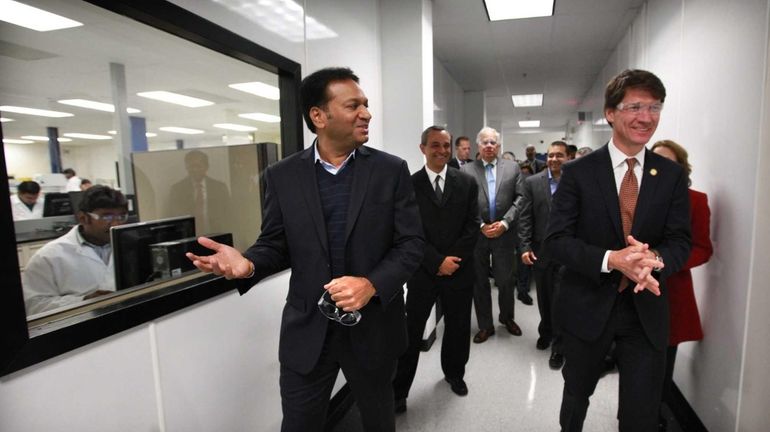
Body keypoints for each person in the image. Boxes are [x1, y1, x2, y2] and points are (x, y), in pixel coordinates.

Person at [185, 67, 424, 432]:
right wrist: (247, 264)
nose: (366, 113)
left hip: (373, 329)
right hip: (308, 333)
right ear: (318, 116)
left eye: (366, 105)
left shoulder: (390, 171)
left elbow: (411, 245)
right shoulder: (282, 176)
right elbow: (275, 244)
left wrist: (371, 284)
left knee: (378, 422)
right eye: (353, 105)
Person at [545, 69, 691, 432]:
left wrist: (652, 260)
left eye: (654, 107)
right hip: (587, 307)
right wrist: (613, 260)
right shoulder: (578, 172)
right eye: (635, 106)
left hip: (645, 311)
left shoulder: (669, 176)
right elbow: (556, 241)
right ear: (610, 113)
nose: (646, 117)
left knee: (640, 413)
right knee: (577, 395)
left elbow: (680, 242)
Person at [392, 126, 479, 413]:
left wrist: (452, 259)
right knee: (410, 332)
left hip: (459, 269)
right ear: (422, 149)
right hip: (422, 271)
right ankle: (399, 390)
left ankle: (455, 374)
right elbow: (407, 230)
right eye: (435, 145)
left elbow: (472, 226)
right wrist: (435, 261)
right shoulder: (408, 184)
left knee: (457, 328)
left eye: (446, 145)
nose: (442, 151)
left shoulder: (466, 183)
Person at [651, 139, 713, 431]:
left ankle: (655, 415)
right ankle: (632, 412)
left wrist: (667, 261)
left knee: (663, 364)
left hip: (671, 294)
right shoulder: (632, 198)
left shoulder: (696, 201)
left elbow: (703, 248)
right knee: (633, 359)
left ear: (681, 168)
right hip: (632, 292)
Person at [22, 185, 128, 315]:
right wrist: (83, 301)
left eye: (121, 217)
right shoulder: (49, 256)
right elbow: (33, 305)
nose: (116, 224)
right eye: (106, 217)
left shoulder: (129, 245)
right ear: (83, 218)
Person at [461, 126, 524, 343]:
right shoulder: (467, 170)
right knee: (479, 281)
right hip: (478, 236)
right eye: (485, 142)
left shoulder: (513, 168)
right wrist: (480, 225)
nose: (489, 146)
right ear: (478, 146)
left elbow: (520, 198)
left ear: (498, 146)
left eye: (493, 142)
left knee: (506, 280)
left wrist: (505, 223)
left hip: (504, 234)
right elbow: (464, 204)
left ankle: (507, 318)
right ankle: (485, 325)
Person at [518, 140, 569, 370]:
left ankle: (559, 346)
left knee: (561, 298)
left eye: (559, 155)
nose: (554, 159)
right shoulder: (532, 182)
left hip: (568, 251)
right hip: (541, 249)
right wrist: (525, 246)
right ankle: (546, 332)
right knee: (544, 296)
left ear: (567, 157)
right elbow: (525, 216)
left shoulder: (575, 182)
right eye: (550, 155)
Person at [168, 149, 231, 235]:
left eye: (198, 166)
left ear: (206, 167)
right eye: (191, 166)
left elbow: (228, 214)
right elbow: (175, 216)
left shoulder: (219, 188)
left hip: (217, 235)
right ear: (186, 167)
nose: (195, 169)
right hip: (189, 236)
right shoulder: (177, 189)